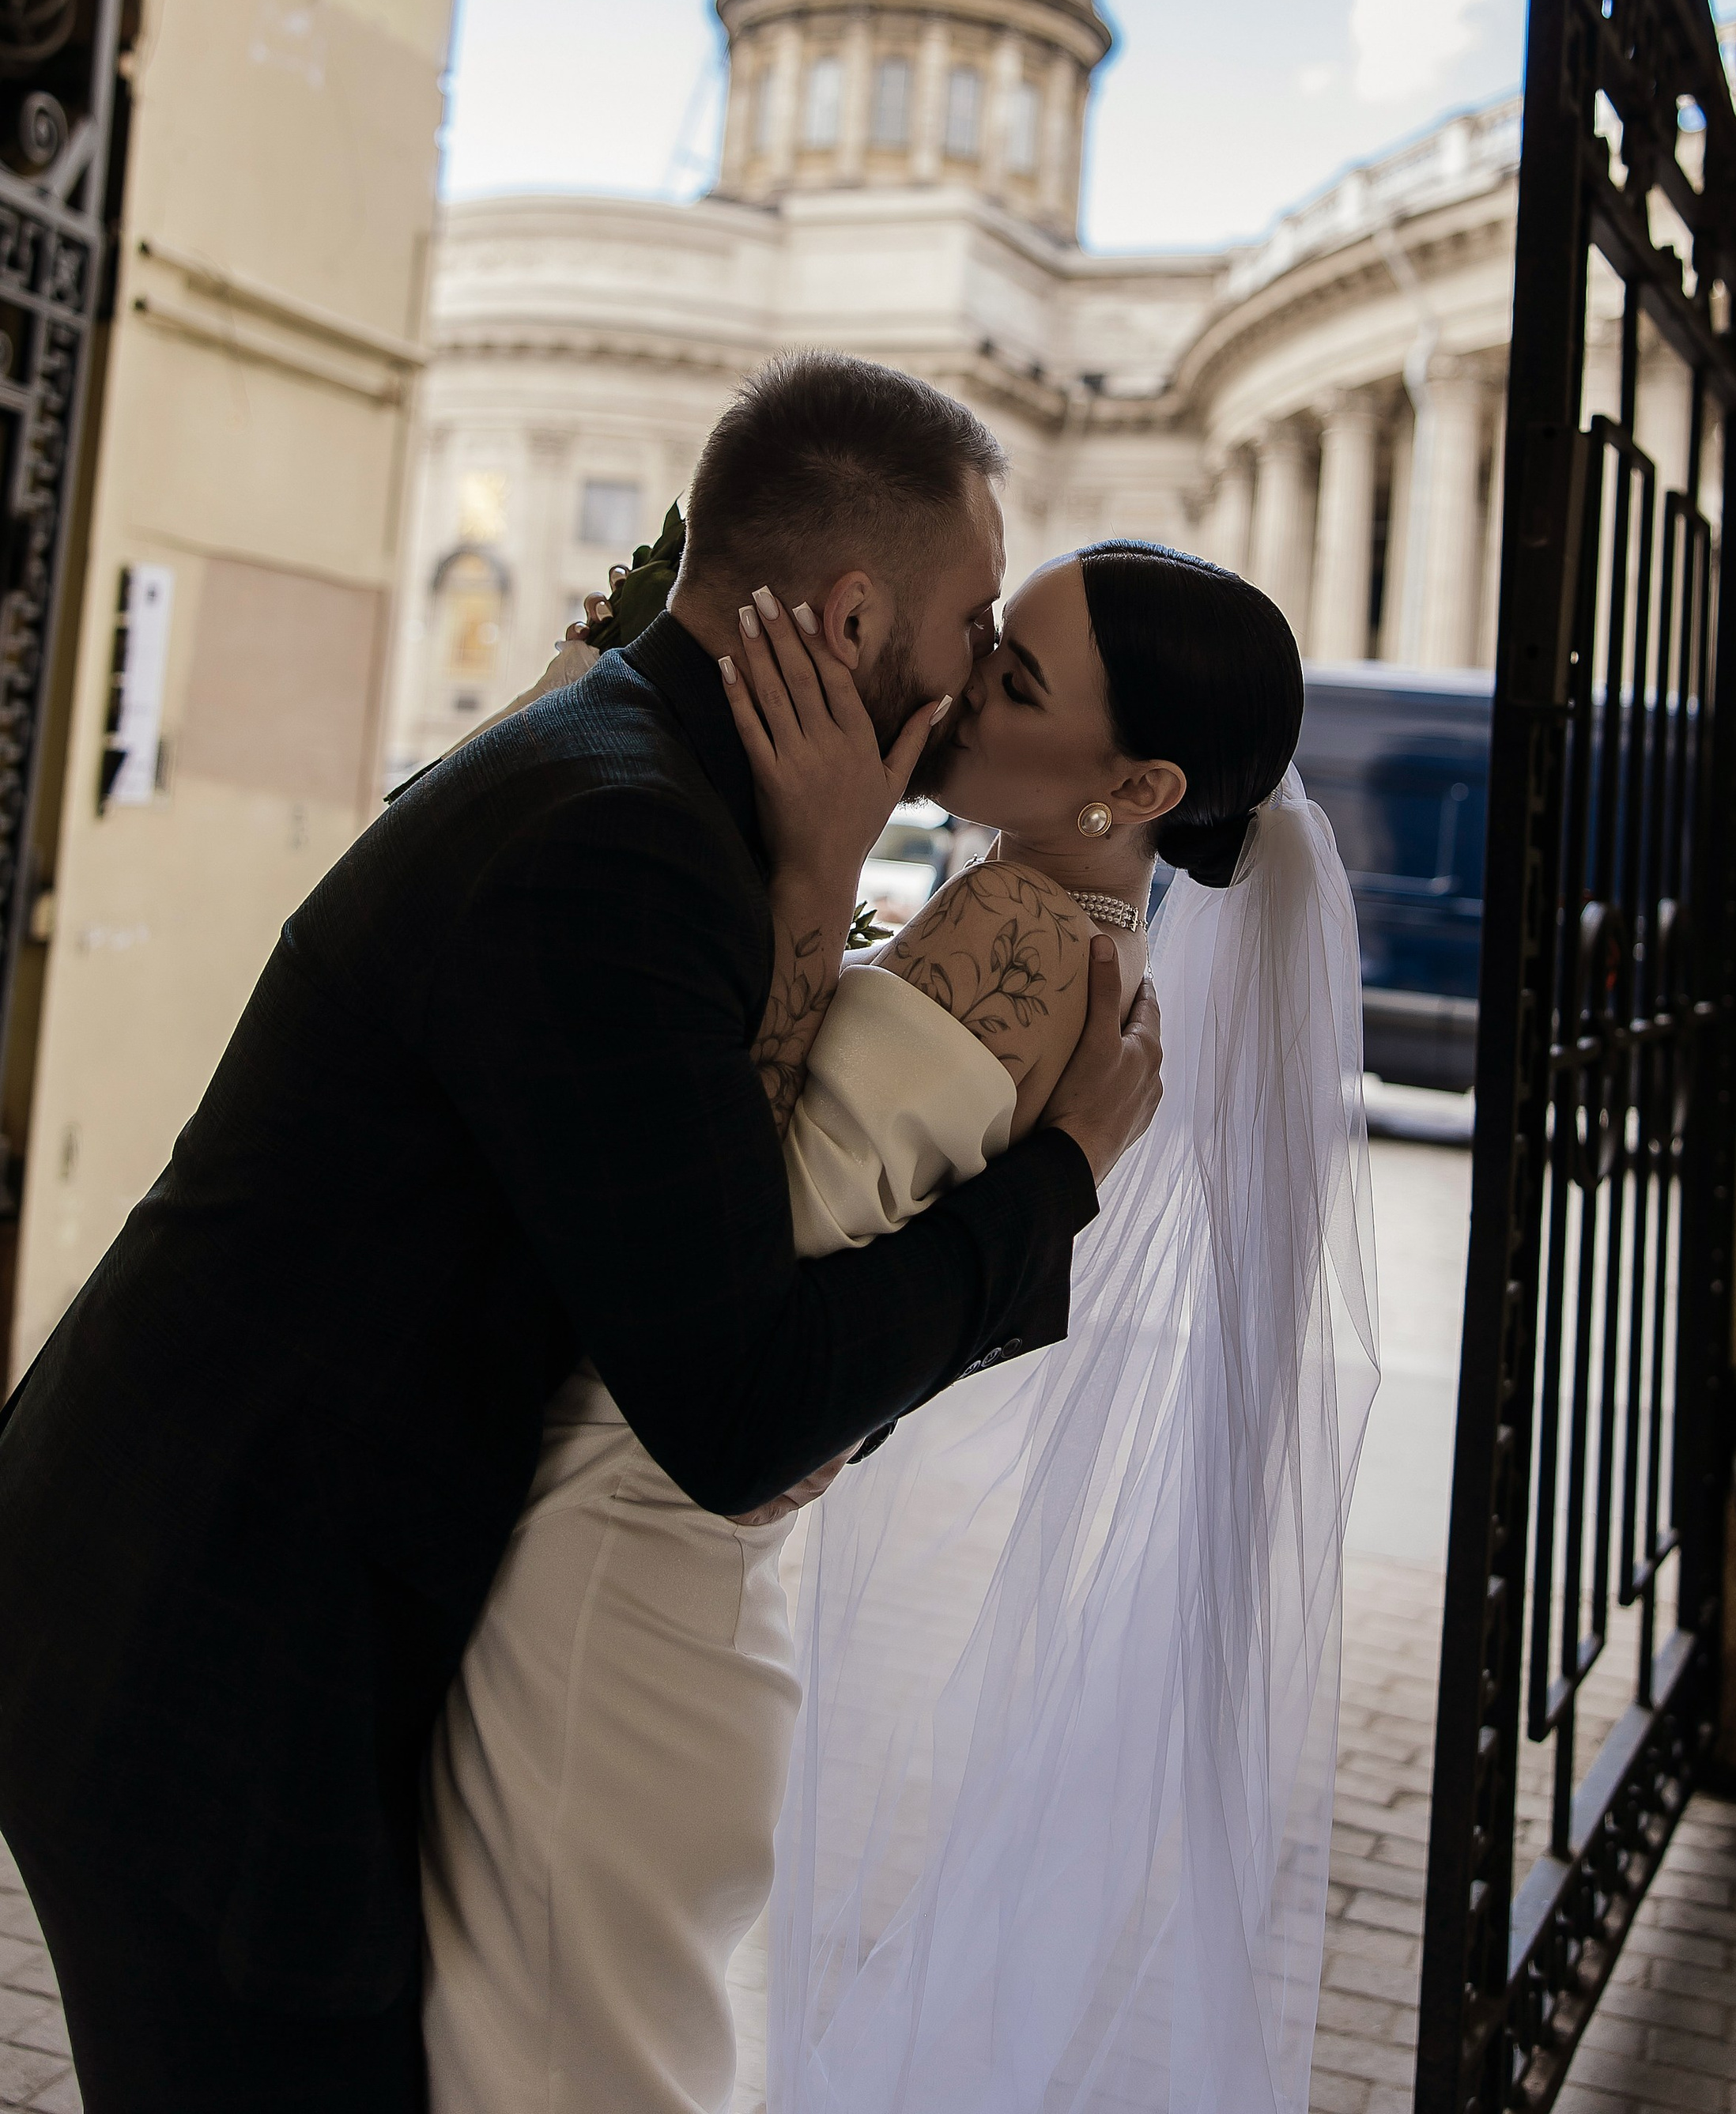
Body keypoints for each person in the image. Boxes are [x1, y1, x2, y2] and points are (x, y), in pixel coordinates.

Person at [0, 353, 1160, 2113]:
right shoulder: (614, 844)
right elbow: (735, 1405)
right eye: (971, 618)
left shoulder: (635, 776)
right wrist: (1059, 1176)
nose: (979, 666)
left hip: (241, 1593)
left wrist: (806, 883)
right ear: (854, 616)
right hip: (208, 1656)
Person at [422, 538, 1375, 2114]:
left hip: (622, 1530)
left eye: (1011, 684)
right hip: (683, 1540)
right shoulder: (1076, 939)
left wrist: (803, 879)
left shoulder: (1008, 940)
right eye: (987, 643)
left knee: (536, 2053)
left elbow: (742, 1237)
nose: (955, 693)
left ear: (1132, 787)